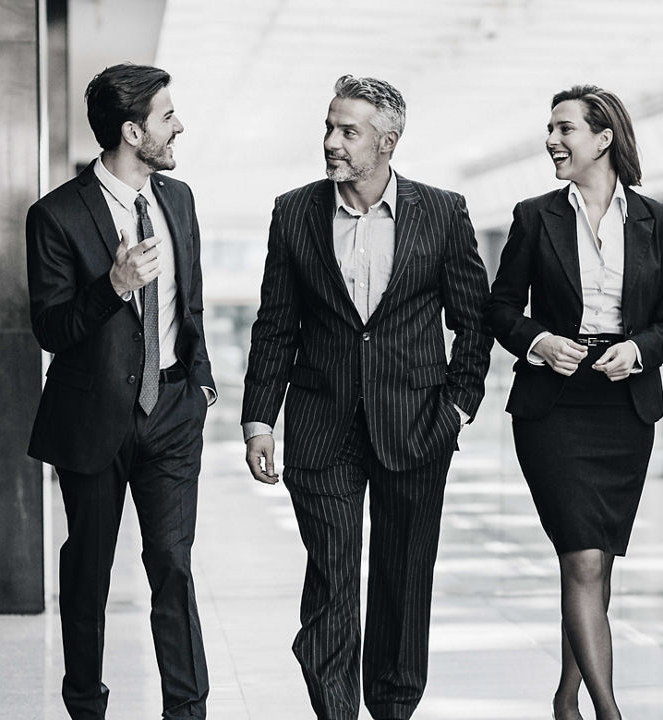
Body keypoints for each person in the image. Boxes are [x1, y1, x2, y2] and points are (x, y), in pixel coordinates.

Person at [241, 76, 491, 720]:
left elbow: (474, 319)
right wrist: (258, 420)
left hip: (417, 424)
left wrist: (459, 407)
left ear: (388, 141)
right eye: (329, 127)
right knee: (331, 584)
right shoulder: (293, 211)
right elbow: (276, 323)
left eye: (348, 131)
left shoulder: (443, 211)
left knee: (404, 584)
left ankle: (394, 708)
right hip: (323, 426)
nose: (331, 142)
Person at [484, 85, 663, 720]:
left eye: (565, 129)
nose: (552, 140)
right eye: (550, 129)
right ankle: (608, 711)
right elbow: (498, 308)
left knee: (596, 560)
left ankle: (567, 699)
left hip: (623, 405)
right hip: (555, 407)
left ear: (604, 139)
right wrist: (540, 341)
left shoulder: (659, 220)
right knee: (579, 553)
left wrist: (640, 350)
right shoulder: (532, 215)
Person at [26, 63, 215, 719]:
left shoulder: (179, 199)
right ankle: (85, 704)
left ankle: (187, 710)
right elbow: (50, 329)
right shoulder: (54, 215)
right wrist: (112, 287)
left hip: (171, 410)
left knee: (173, 563)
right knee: (89, 571)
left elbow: (190, 300)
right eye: (167, 115)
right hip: (91, 419)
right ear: (133, 132)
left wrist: (202, 378)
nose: (178, 124)